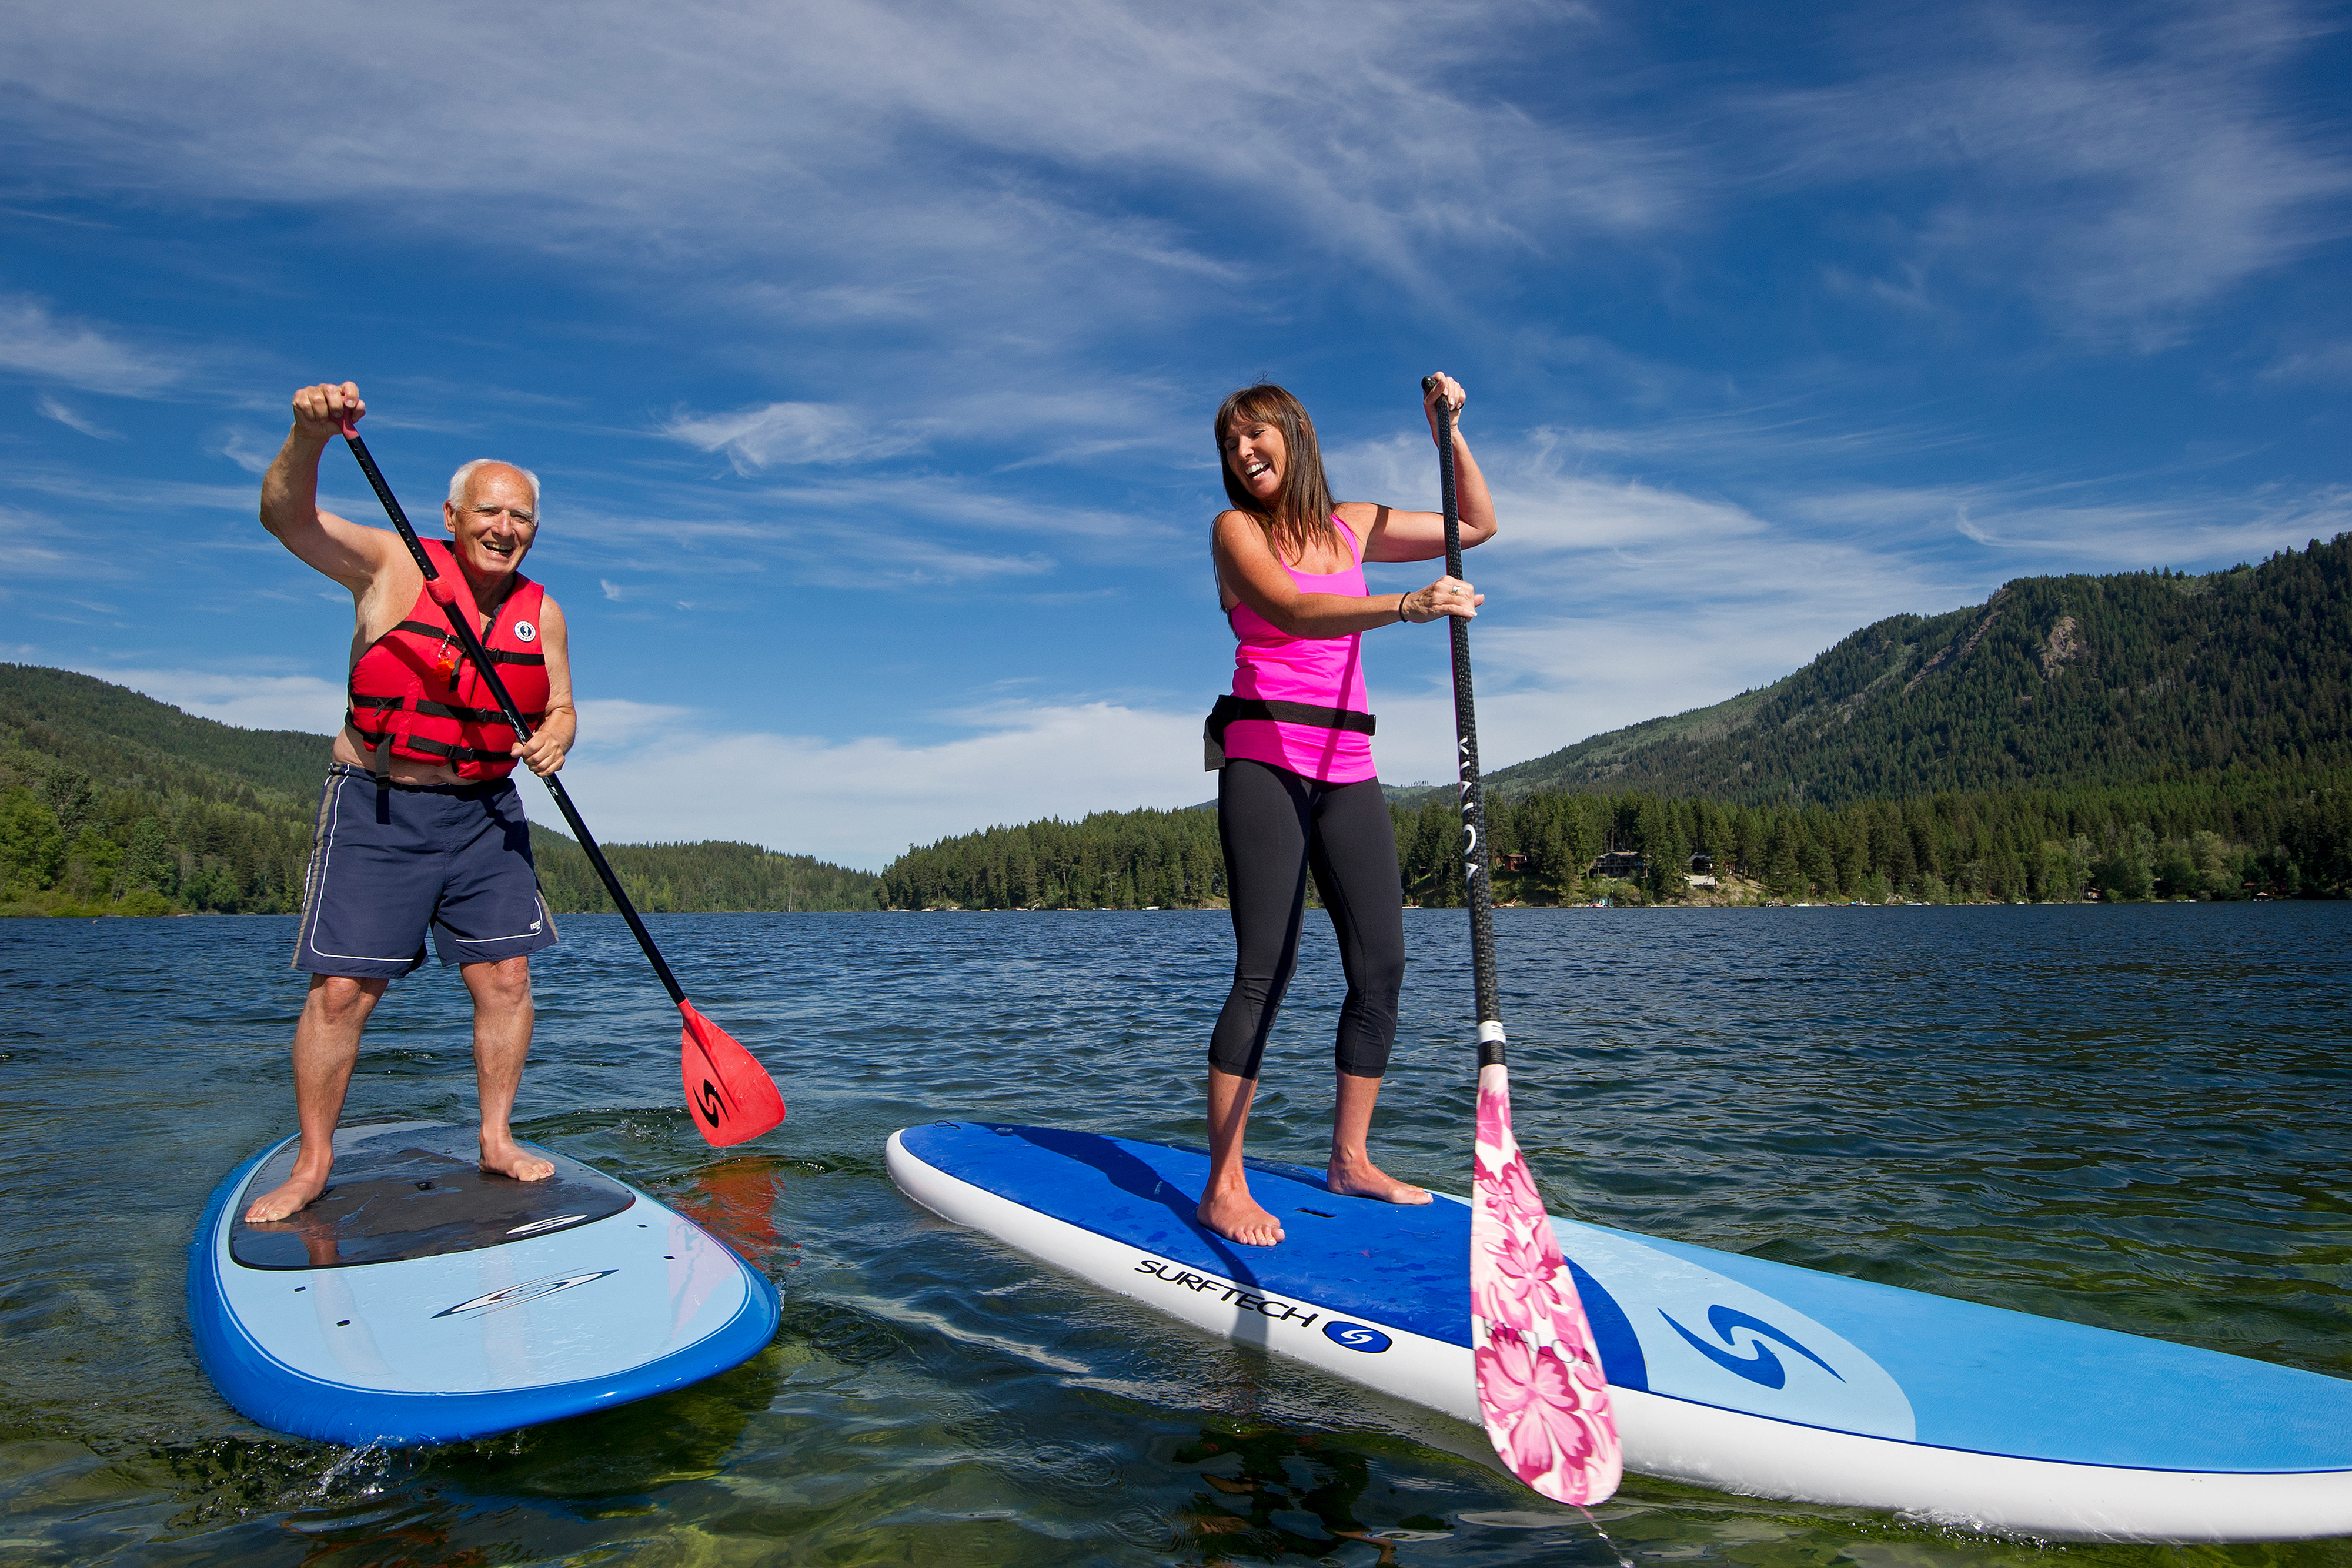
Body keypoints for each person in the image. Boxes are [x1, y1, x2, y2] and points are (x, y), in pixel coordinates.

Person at [243, 381, 577, 1224]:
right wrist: (308, 435)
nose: (507, 529)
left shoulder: (546, 611)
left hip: (485, 813)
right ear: (454, 515)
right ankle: (315, 1160)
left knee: (505, 978)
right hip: (380, 807)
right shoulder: (391, 563)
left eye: (523, 518)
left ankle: (496, 1140)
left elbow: (562, 706)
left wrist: (558, 736)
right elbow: (286, 518)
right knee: (345, 993)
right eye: (491, 512)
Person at [1199, 374, 1496, 1246]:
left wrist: (1449, 439)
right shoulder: (1235, 533)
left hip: (1348, 763)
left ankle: (1350, 1159)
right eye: (1230, 444)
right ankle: (1224, 1184)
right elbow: (1292, 610)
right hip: (1266, 758)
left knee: (1383, 963)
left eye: (1256, 436)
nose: (1244, 454)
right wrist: (1407, 605)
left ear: (1295, 434)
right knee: (1267, 968)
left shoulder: (1354, 522)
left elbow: (1475, 526)